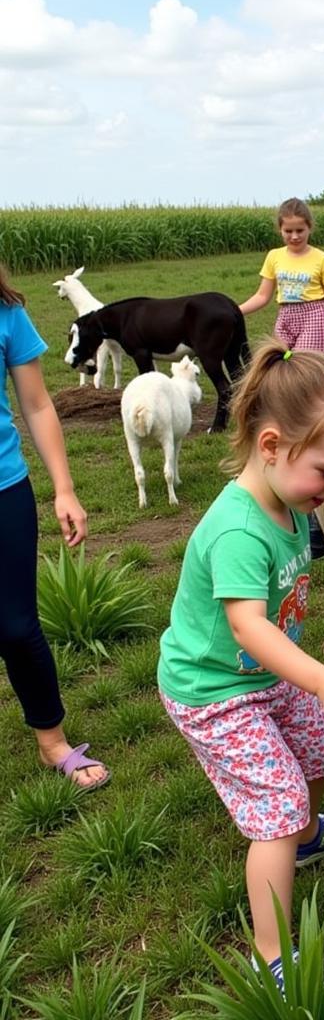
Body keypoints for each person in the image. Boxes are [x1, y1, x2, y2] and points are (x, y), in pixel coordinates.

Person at [157, 344, 324, 986]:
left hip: (265, 675)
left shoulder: (288, 504)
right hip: (213, 691)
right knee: (275, 806)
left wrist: (308, 682)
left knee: (322, 748)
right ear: (274, 444)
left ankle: (306, 840)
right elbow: (248, 625)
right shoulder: (238, 529)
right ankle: (271, 954)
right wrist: (320, 677)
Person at [0, 265, 107, 790]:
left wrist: (64, 488)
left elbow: (38, 403)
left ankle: (52, 742)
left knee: (16, 628)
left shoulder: (7, 311)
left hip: (4, 489)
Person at [239, 197, 324, 357]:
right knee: (277, 360)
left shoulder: (321, 258)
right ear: (280, 229)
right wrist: (236, 311)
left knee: (304, 362)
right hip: (285, 315)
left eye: (300, 230)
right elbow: (262, 295)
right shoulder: (274, 256)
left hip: (314, 315)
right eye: (288, 231)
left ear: (309, 228)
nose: (294, 236)